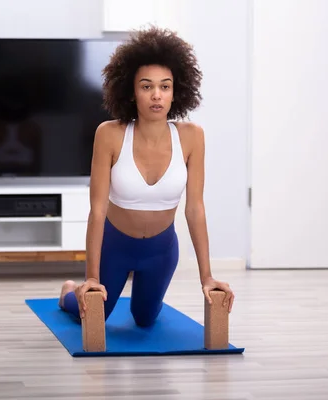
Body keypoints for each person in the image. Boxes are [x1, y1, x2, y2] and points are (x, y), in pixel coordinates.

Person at [58, 26, 234, 326]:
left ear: (176, 91)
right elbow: (98, 210)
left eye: (165, 86)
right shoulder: (110, 134)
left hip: (160, 250)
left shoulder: (192, 137)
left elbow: (195, 209)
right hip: (114, 246)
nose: (156, 95)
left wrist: (207, 277)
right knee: (90, 315)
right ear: (131, 90)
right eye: (146, 86)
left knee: (145, 318)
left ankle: (144, 296)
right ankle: (68, 292)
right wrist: (91, 277)